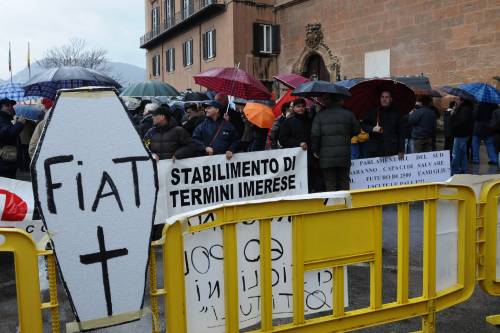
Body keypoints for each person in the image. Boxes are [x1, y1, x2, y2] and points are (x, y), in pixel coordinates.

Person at [311, 94, 360, 191]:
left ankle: (334, 205)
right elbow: (357, 130)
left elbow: (315, 135)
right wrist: (346, 135)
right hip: (344, 154)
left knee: (330, 182)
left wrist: (315, 150)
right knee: (344, 181)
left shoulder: (320, 116)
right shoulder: (348, 114)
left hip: (326, 156)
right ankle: (346, 204)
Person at [362, 90, 405, 159]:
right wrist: (372, 128)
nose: (384, 99)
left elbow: (401, 133)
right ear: (380, 98)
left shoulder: (397, 114)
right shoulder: (373, 111)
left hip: (391, 149)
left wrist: (401, 150)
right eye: (382, 97)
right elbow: (364, 125)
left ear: (391, 99)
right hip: (375, 149)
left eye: (387, 97)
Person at [0, 98, 25, 178]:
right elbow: (7, 135)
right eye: (7, 105)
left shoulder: (6, 119)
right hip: (4, 162)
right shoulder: (1, 119)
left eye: (12, 105)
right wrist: (19, 124)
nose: (10, 107)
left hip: (8, 160)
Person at [450, 98, 474, 174]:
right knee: (463, 152)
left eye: (459, 100)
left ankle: (454, 169)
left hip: (460, 133)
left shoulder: (464, 109)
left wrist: (453, 115)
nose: (458, 101)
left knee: (456, 153)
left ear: (462, 101)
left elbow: (461, 121)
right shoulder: (468, 109)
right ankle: (464, 168)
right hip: (465, 133)